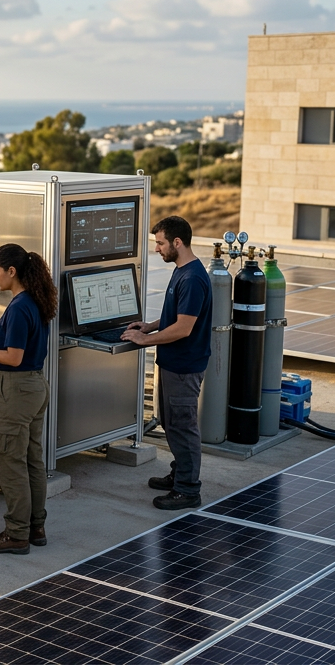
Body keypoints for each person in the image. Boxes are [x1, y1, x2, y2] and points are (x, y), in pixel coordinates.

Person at [0, 243, 56, 555]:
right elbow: (21, 342)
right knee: (31, 459)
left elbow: (14, 358)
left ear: (11, 272)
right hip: (36, 387)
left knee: (10, 462)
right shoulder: (33, 301)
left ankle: (16, 534)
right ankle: (35, 526)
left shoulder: (17, 307)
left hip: (16, 389)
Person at [120, 215, 212, 510]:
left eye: (160, 243)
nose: (157, 249)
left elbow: (184, 328)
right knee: (172, 425)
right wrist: (149, 326)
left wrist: (145, 341)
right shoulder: (182, 270)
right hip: (173, 364)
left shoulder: (194, 278)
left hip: (185, 367)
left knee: (183, 428)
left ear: (177, 242)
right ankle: (179, 474)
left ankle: (188, 490)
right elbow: (176, 316)